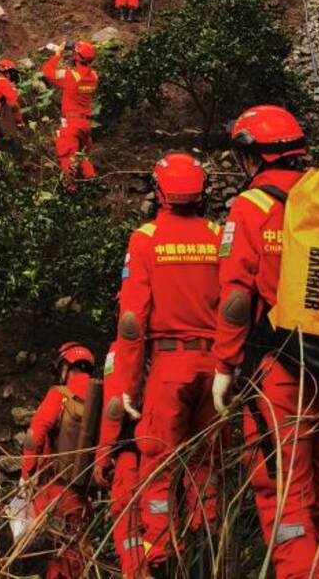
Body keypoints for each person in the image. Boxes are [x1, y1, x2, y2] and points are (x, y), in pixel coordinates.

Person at [212, 106, 319, 579]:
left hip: (282, 373)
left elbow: (234, 299)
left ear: (251, 155)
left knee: (284, 496)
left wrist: (225, 366)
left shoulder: (251, 206)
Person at [104, 154, 222, 577]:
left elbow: (133, 324)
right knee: (207, 462)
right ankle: (207, 542)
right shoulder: (216, 234)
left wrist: (126, 388)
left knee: (158, 462)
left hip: (170, 366)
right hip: (215, 367)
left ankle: (159, 555)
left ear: (159, 191)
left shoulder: (146, 238)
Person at [21, 341, 96, 579]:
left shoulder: (59, 395)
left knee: (50, 551)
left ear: (66, 367)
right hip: (83, 496)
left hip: (53, 490)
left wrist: (26, 475)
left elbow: (34, 435)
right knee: (75, 552)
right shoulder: (101, 402)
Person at [94, 341, 141, 578]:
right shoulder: (168, 340)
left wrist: (103, 456)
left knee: (128, 521)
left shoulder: (120, 348)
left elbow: (114, 407)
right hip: (167, 449)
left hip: (130, 452)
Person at [42, 41, 98, 183]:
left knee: (67, 160)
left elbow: (47, 71)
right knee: (83, 158)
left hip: (72, 124)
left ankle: (70, 192)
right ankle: (92, 185)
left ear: (76, 56)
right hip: (86, 124)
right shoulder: (94, 77)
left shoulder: (71, 76)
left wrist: (57, 55)